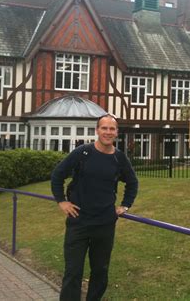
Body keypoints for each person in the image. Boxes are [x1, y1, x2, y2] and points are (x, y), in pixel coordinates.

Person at [51, 114, 138, 301]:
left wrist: (125, 205)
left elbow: (132, 183)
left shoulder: (119, 159)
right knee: (73, 272)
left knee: (100, 272)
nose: (108, 132)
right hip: (79, 223)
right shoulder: (83, 153)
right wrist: (62, 201)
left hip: (105, 224)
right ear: (97, 130)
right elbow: (57, 175)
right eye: (104, 128)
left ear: (116, 132)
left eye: (112, 129)